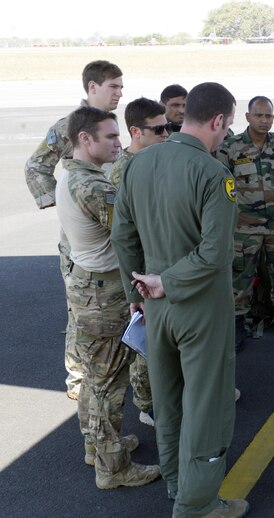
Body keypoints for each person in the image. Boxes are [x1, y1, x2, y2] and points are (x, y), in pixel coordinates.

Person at [111, 82, 249, 518]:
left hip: (153, 307)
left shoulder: (137, 166)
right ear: (218, 121)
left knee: (167, 401)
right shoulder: (214, 174)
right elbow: (214, 254)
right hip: (198, 307)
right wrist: (166, 282)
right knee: (206, 403)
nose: (226, 135)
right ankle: (196, 503)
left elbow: (122, 237)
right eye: (227, 126)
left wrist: (140, 291)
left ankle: (175, 480)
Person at [56, 106, 160, 489]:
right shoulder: (94, 187)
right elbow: (130, 230)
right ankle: (113, 468)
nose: (119, 143)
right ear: (86, 139)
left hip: (88, 288)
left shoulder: (73, 174)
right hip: (104, 294)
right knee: (108, 384)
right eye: (111, 136)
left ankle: (97, 446)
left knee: (95, 379)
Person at [25, 59, 123, 402]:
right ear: (92, 87)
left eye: (121, 87)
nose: (119, 94)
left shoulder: (110, 126)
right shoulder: (68, 126)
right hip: (82, 239)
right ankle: (78, 377)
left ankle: (100, 375)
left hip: (110, 228)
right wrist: (63, 207)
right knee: (80, 311)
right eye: (113, 87)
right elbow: (36, 166)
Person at [216, 96, 274, 351]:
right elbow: (224, 186)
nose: (264, 120)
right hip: (244, 226)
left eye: (268, 116)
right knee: (241, 276)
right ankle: (237, 328)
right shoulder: (230, 147)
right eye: (259, 115)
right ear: (247, 117)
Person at [108, 97, 171, 427]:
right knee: (145, 338)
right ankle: (147, 405)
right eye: (159, 129)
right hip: (138, 268)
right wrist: (135, 289)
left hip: (157, 264)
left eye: (168, 127)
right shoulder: (125, 170)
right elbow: (122, 233)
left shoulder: (153, 160)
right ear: (136, 132)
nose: (166, 134)